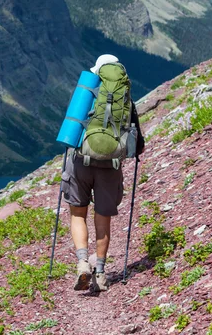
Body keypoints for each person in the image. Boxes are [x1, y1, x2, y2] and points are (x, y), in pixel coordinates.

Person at [61, 54, 145, 292]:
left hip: (81, 162)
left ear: (98, 72)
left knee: (78, 213)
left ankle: (81, 264)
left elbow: (71, 126)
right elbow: (137, 143)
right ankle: (100, 272)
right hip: (110, 166)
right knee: (102, 217)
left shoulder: (88, 93)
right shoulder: (125, 99)